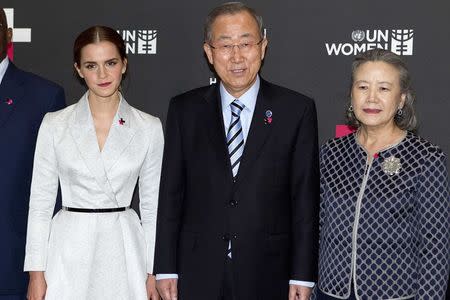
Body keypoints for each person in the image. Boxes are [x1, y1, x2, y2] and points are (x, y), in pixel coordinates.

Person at [154, 2, 319, 300]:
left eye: (246, 43)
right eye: (226, 45)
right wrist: (166, 268)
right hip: (198, 268)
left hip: (269, 269)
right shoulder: (184, 110)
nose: (237, 56)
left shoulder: (296, 110)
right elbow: (171, 194)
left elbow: (304, 200)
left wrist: (303, 275)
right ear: (209, 52)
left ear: (263, 46)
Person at [24, 26, 163, 300]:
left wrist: (152, 271)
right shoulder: (55, 124)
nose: (102, 75)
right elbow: (40, 204)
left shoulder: (148, 127)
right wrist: (36, 274)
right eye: (91, 65)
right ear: (78, 69)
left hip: (125, 252)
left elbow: (152, 207)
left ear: (124, 64)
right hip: (68, 250)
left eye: (110, 63)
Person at [316, 49, 449, 299]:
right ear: (351, 95)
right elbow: (317, 228)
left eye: (384, 89)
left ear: (401, 100)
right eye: (363, 87)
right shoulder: (331, 153)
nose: (372, 98)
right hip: (329, 292)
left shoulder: (426, 158)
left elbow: (435, 247)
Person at [0, 8, 65, 300]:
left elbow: (54, 191)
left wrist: (42, 269)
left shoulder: (44, 96)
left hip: (12, 265)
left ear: (8, 35)